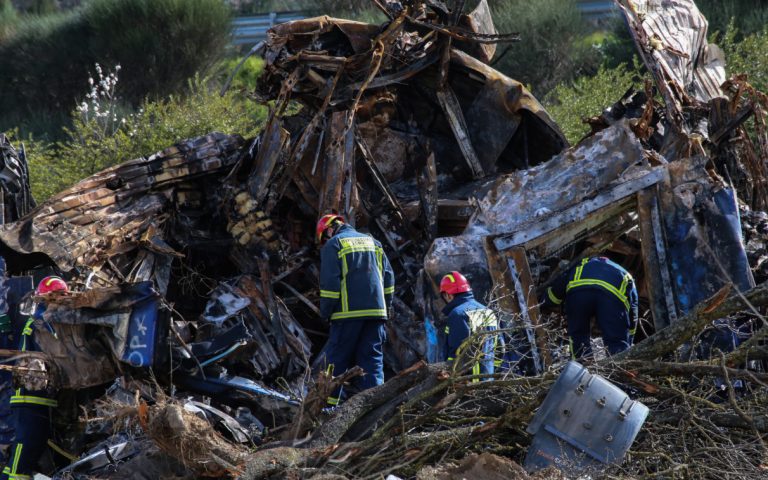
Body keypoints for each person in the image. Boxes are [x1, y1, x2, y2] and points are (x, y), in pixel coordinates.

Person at [316, 214, 394, 407]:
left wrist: (325, 312)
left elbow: (330, 286)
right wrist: (387, 308)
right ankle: (374, 407)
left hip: (346, 315)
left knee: (336, 361)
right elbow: (389, 280)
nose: (325, 242)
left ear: (328, 230)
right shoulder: (374, 243)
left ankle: (328, 408)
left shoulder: (334, 244)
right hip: (377, 314)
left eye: (323, 238)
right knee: (373, 361)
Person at [1, 276, 67, 480]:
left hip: (39, 403)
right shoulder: (42, 320)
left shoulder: (41, 317)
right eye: (59, 297)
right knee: (19, 463)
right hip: (29, 402)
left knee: (31, 459)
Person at [543, 257, 638, 359]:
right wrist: (629, 338)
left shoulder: (580, 264)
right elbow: (633, 311)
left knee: (578, 337)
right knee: (616, 343)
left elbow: (555, 294)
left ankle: (581, 368)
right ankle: (621, 370)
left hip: (579, 296)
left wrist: (542, 302)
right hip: (611, 300)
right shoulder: (625, 274)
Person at [440, 271, 499, 378]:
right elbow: (500, 348)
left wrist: (449, 375)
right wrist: (489, 374)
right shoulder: (487, 311)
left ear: (447, 295)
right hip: (487, 381)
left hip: (465, 384)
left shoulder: (458, 315)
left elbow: (456, 354)